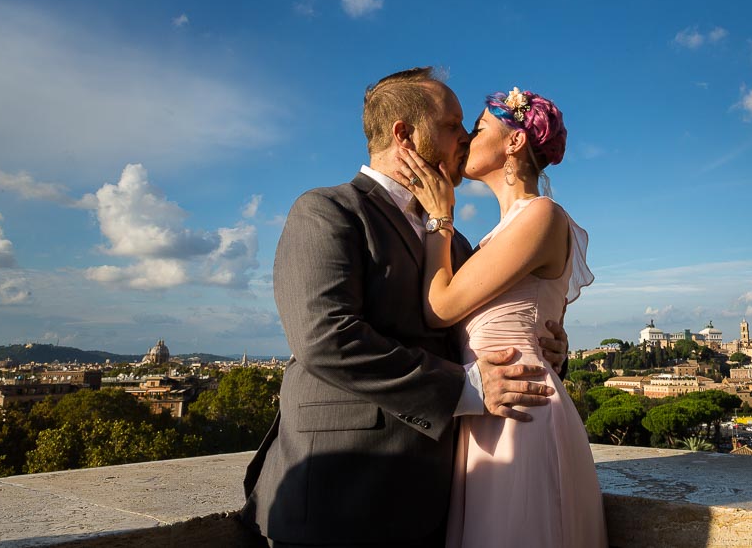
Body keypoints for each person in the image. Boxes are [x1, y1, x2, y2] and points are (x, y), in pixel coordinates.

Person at [240, 68, 570, 548]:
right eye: (454, 125)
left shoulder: (454, 241)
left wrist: (545, 346)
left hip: (440, 499)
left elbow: (491, 320)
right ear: (405, 135)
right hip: (341, 497)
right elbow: (326, 339)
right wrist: (465, 388)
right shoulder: (329, 210)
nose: (466, 136)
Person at [396, 87, 608, 548]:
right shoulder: (496, 236)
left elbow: (440, 308)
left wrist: (440, 217)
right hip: (490, 410)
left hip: (522, 416)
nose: (468, 139)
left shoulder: (542, 216)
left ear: (514, 143)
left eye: (479, 129)